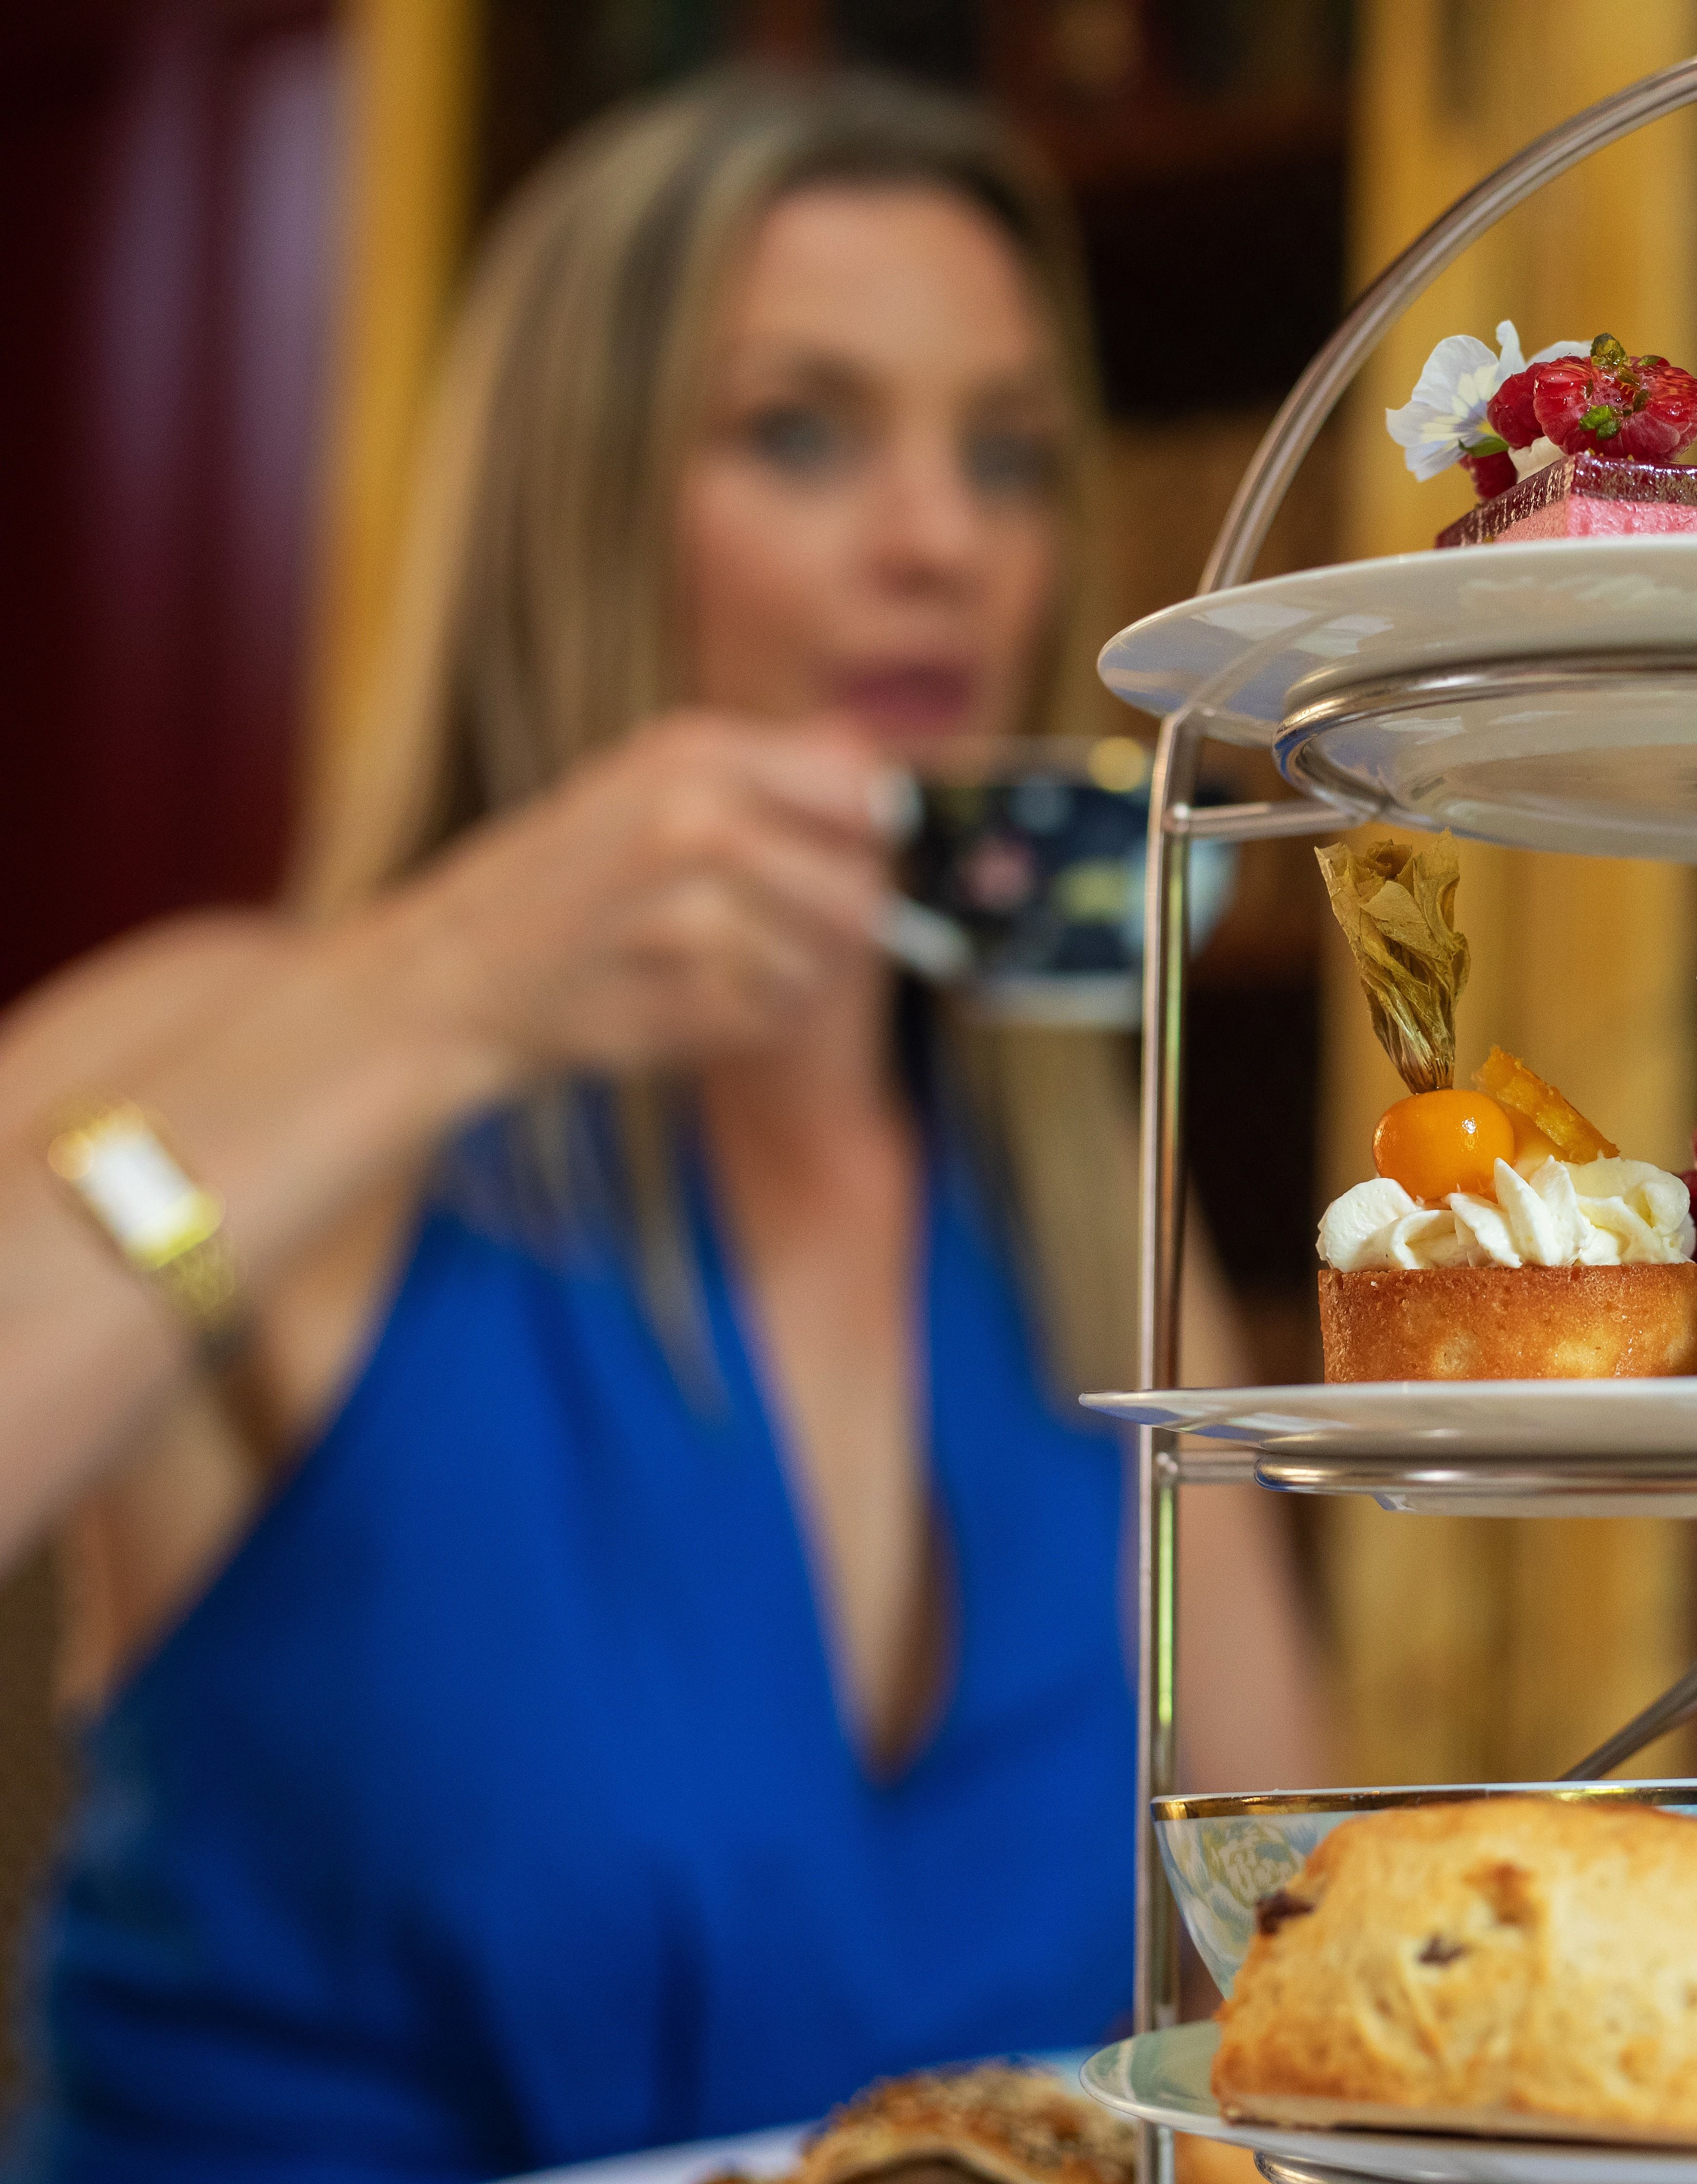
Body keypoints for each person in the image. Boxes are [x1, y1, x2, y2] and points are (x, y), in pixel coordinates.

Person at [0, 70, 1326, 2182]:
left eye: (1005, 454)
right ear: (571, 500)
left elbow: (1277, 1954)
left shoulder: (1077, 1171)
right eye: (802, 429)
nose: (939, 539)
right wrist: (441, 989)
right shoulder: (242, 1039)